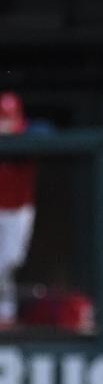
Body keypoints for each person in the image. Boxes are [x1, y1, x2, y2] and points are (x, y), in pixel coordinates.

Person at [0, 91, 37, 330]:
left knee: (10, 260)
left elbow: (46, 132)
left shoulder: (29, 133)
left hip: (19, 210)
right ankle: (6, 313)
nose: (5, 122)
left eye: (9, 117)